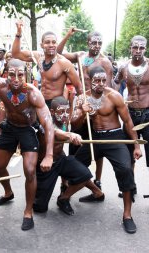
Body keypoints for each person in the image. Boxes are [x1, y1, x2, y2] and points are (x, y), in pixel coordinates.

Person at [72, 66, 142, 233]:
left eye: (104, 80)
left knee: (126, 170)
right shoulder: (82, 98)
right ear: (89, 81)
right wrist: (82, 112)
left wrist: (136, 145)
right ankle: (90, 193)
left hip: (115, 137)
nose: (101, 84)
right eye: (97, 80)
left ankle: (127, 215)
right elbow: (74, 125)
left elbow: (128, 122)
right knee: (74, 166)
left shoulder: (114, 96)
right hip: (94, 137)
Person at [0, 59, 54, 231]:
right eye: (12, 74)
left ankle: (28, 211)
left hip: (28, 129)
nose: (16, 79)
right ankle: (8, 193)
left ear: (26, 75)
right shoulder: (0, 87)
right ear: (6, 75)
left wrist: (49, 155)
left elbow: (48, 125)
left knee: (30, 170)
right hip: (10, 128)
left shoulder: (33, 93)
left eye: (20, 75)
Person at [114, 35, 149, 214]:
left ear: (145, 49)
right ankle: (130, 188)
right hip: (130, 116)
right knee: (129, 156)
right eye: (135, 47)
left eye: (141, 48)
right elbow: (114, 87)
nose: (138, 51)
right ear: (130, 48)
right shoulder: (123, 68)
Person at [57, 28, 114, 191]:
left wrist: (100, 107)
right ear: (88, 43)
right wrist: (68, 34)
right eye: (93, 42)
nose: (96, 46)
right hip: (80, 102)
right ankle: (67, 180)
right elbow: (59, 53)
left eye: (99, 43)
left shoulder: (105, 62)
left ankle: (98, 179)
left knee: (97, 142)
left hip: (97, 103)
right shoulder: (80, 56)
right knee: (74, 138)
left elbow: (108, 87)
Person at [33, 96, 104, 216]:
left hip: (60, 159)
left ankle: (63, 198)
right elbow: (54, 132)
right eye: (60, 112)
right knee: (39, 207)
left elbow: (75, 122)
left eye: (67, 111)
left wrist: (83, 111)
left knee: (84, 174)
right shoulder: (45, 122)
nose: (64, 115)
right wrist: (69, 134)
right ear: (52, 112)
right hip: (45, 165)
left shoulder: (66, 121)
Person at [12, 20, 83, 108]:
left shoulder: (64, 63)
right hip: (41, 102)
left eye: (54, 42)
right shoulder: (38, 57)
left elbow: (79, 88)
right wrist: (18, 33)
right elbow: (15, 54)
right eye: (47, 42)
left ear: (57, 44)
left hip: (57, 104)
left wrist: (80, 108)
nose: (51, 45)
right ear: (41, 45)